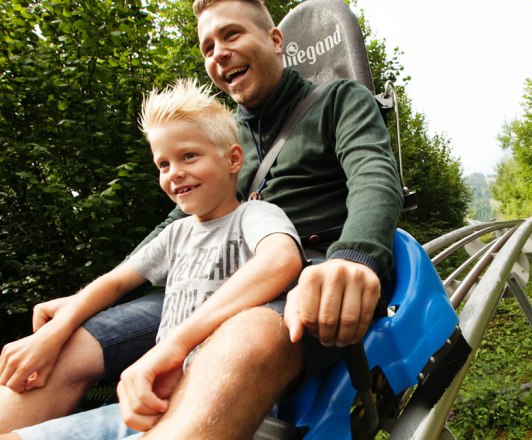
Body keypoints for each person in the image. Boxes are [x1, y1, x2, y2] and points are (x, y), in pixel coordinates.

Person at [0, 0, 403, 436]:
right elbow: (171, 230)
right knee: (63, 348)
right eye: (208, 47)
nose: (218, 53)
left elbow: (373, 174)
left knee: (241, 340)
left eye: (231, 35)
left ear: (274, 40)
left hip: (300, 282)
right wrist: (75, 311)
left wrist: (355, 256)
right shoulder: (221, 136)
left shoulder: (338, 99)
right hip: (204, 279)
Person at [0, 78, 306, 440]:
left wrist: (178, 345)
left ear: (233, 159)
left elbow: (280, 261)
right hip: (147, 407)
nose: (174, 172)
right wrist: (58, 328)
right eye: (163, 164)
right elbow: (115, 281)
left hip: (215, 404)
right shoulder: (175, 235)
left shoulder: (253, 216)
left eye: (189, 156)